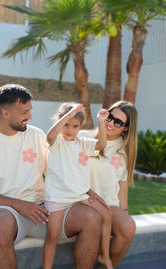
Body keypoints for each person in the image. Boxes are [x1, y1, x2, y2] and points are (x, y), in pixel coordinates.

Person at [0, 84, 102, 269]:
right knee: (0, 223)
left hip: (43, 211)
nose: (29, 116)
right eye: (24, 112)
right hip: (7, 213)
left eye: (29, 111)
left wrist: (85, 190)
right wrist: (20, 205)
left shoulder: (37, 136)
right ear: (5, 113)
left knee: (91, 217)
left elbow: (57, 171)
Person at [43, 102, 113, 269]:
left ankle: (105, 255)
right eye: (66, 124)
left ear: (80, 126)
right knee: (52, 236)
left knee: (107, 215)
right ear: (60, 122)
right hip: (58, 198)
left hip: (80, 195)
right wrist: (69, 114)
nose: (69, 129)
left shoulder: (82, 143)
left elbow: (101, 145)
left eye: (75, 126)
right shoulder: (57, 142)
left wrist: (101, 122)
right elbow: (50, 136)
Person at [78, 100, 138, 266]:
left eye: (118, 122)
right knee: (93, 221)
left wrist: (124, 212)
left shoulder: (124, 150)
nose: (110, 123)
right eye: (110, 116)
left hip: (109, 204)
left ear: (126, 128)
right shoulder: (83, 137)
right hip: (82, 200)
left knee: (128, 227)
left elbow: (122, 186)